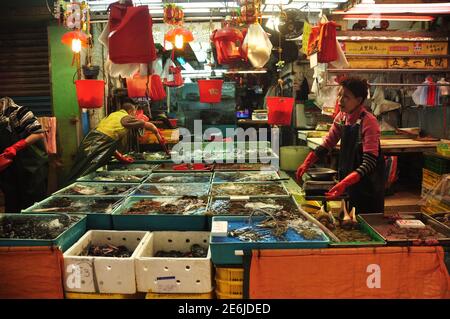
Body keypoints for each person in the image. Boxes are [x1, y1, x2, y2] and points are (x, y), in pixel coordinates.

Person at [296, 77, 385, 214]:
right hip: (349, 182)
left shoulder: (368, 122)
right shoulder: (342, 117)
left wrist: (344, 183)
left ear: (359, 100)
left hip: (367, 185)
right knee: (348, 220)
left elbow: (369, 163)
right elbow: (327, 144)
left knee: (364, 221)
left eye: (346, 97)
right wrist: (306, 163)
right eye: (340, 95)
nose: (340, 100)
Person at [66, 99, 165, 183]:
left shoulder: (114, 115)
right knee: (85, 171)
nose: (135, 115)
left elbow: (109, 140)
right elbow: (150, 126)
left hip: (90, 140)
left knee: (79, 168)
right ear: (131, 111)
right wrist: (158, 135)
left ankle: (69, 188)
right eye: (135, 112)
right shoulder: (126, 118)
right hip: (97, 143)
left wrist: (119, 156)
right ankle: (70, 193)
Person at [0, 97, 48, 213]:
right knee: (12, 204)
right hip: (9, 168)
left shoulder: (19, 112)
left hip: (30, 165)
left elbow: (38, 134)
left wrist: (16, 147)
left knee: (32, 205)